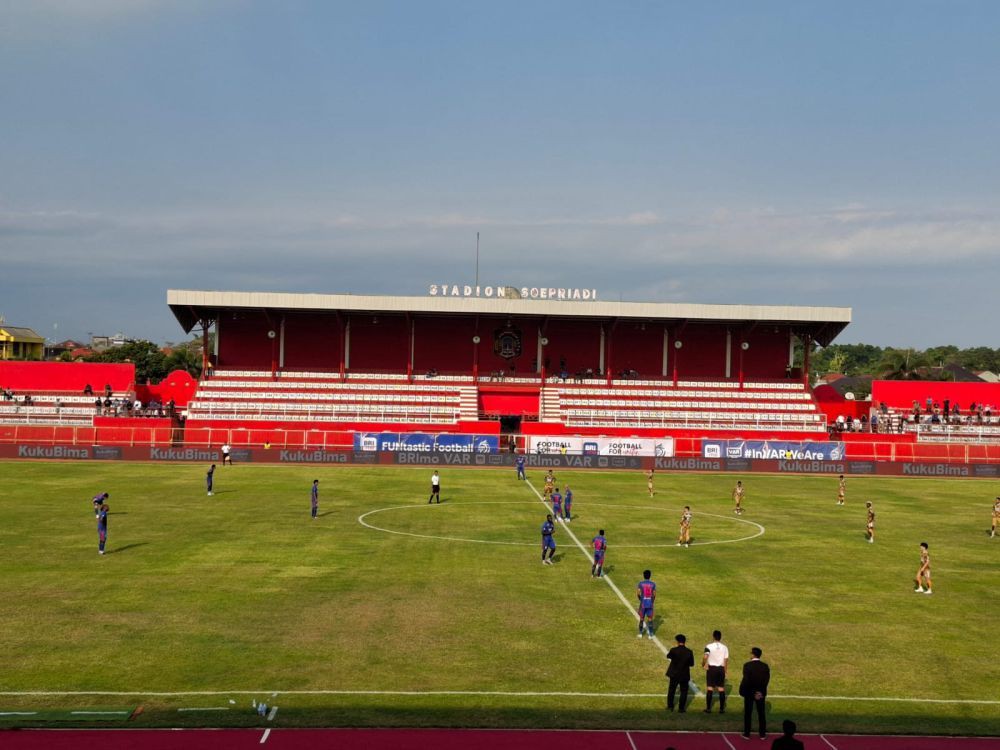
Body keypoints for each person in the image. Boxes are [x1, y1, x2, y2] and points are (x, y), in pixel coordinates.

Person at [739, 646, 770, 740]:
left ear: (753, 654)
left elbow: (746, 680)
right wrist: (759, 692)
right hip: (760, 693)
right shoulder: (765, 666)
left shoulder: (747, 665)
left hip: (749, 693)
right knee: (761, 713)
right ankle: (762, 734)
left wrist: (748, 691)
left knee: (748, 713)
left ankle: (747, 733)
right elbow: (766, 680)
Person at [665, 634, 695, 712]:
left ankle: (670, 706)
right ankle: (681, 708)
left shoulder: (673, 650)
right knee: (684, 691)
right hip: (684, 674)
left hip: (674, 674)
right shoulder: (689, 652)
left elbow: (668, 656)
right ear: (684, 642)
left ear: (678, 642)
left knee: (671, 690)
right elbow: (692, 664)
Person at [702, 629, 729, 713]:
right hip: (721, 669)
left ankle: (708, 708)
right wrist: (725, 671)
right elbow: (726, 660)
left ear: (713, 636)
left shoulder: (708, 646)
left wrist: (703, 664)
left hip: (712, 669)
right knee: (721, 688)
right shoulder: (725, 647)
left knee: (710, 688)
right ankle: (721, 709)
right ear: (720, 637)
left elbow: (705, 657)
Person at [636, 569, 656, 638]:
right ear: (650, 576)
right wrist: (652, 601)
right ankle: (650, 634)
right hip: (649, 603)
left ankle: (640, 633)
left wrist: (640, 599)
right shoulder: (653, 584)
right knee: (650, 619)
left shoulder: (640, 583)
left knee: (641, 619)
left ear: (643, 576)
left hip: (643, 604)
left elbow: (638, 593)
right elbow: (654, 594)